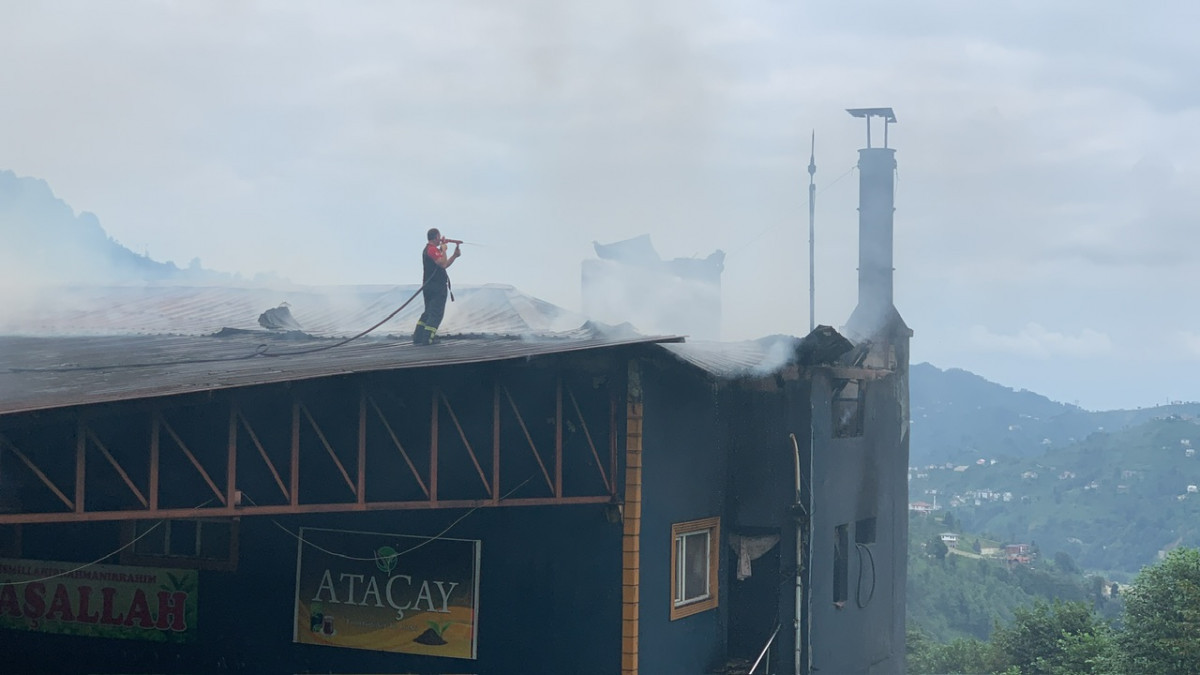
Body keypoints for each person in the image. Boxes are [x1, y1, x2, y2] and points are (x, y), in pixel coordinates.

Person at [413, 227, 460, 345]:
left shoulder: (432, 250)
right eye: (439, 238)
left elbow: (443, 264)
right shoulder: (431, 249)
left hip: (429, 286)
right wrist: (444, 250)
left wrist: (454, 255)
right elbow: (443, 263)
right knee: (436, 313)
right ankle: (428, 339)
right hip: (436, 288)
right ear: (436, 237)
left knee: (428, 312)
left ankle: (418, 337)